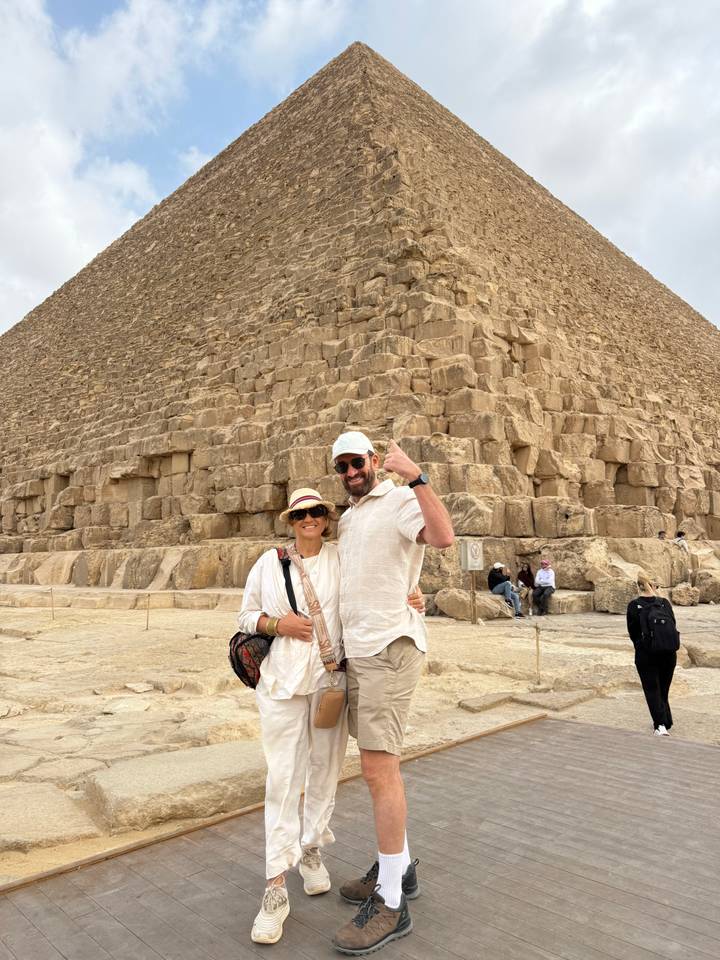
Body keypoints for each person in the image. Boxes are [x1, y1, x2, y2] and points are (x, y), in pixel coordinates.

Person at [239, 487, 425, 945]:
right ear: (291, 519)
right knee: (283, 778)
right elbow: (245, 615)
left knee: (324, 774)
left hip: (329, 685)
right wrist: (276, 624)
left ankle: (311, 851)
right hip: (282, 685)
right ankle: (275, 884)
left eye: (317, 513)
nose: (309, 519)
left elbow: (381, 583)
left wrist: (411, 594)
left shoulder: (344, 558)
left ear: (326, 518)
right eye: (301, 513)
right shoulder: (269, 563)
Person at [330, 432, 454, 956]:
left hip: (388, 647)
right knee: (376, 767)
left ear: (374, 462)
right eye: (342, 465)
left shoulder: (400, 497)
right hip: (360, 651)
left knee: (380, 769)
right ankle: (397, 870)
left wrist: (417, 476)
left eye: (358, 462)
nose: (351, 471)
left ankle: (390, 905)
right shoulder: (348, 516)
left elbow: (443, 537)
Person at [626, 574, 678, 736]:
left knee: (652, 690)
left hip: (647, 653)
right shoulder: (664, 603)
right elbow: (673, 624)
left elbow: (633, 633)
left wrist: (642, 647)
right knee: (663, 689)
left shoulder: (634, 606)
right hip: (668, 652)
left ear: (637, 587)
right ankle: (666, 719)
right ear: (653, 586)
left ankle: (660, 725)